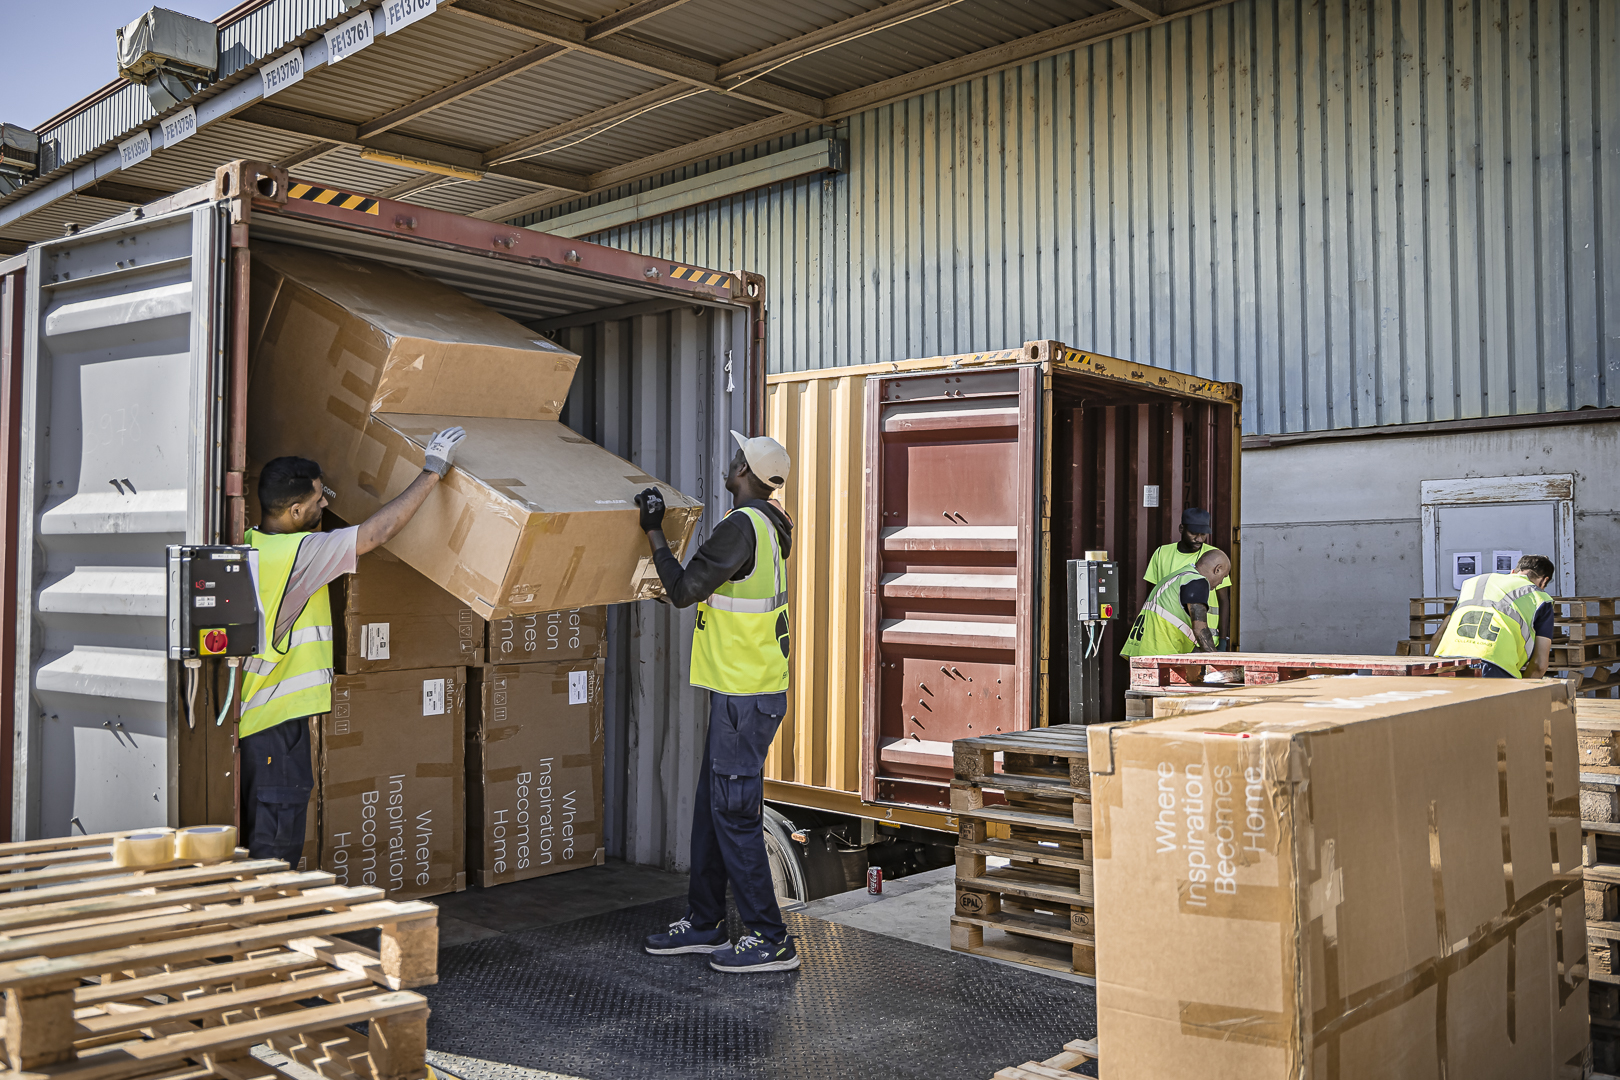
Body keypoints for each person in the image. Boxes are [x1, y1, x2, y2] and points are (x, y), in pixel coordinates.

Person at [237, 427, 467, 866]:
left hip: (261, 727)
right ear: (295, 508)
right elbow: (376, 533)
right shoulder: (299, 555)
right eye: (320, 499)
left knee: (267, 839)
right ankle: (266, 931)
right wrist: (432, 471)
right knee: (275, 847)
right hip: (276, 726)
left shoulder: (255, 544)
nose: (327, 504)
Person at [634, 430, 799, 974]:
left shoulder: (743, 526)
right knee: (713, 811)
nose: (729, 465)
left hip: (745, 699)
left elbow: (683, 591)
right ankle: (705, 922)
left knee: (733, 815)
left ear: (747, 473)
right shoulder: (774, 527)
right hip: (744, 692)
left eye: (736, 460)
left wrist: (654, 532)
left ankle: (769, 938)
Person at [1432, 554, 1556, 679]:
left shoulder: (1474, 583)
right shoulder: (1540, 598)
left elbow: (1438, 636)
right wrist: (1523, 691)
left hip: (1447, 662)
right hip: (1495, 667)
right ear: (1544, 581)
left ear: (1513, 572)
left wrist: (1428, 674)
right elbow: (1539, 664)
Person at [1120, 549, 1232, 661]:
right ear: (1217, 569)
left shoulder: (1177, 577)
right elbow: (1199, 629)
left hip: (1143, 652)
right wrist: (1217, 662)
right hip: (1159, 655)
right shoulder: (1197, 581)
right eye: (1224, 576)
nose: (1221, 582)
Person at [1144, 507, 1231, 645]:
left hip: (1204, 641)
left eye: (1203, 534)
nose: (1199, 539)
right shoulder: (1162, 554)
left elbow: (1224, 601)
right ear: (1181, 529)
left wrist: (1223, 639)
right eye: (1193, 533)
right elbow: (1152, 597)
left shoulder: (1215, 557)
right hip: (1169, 638)